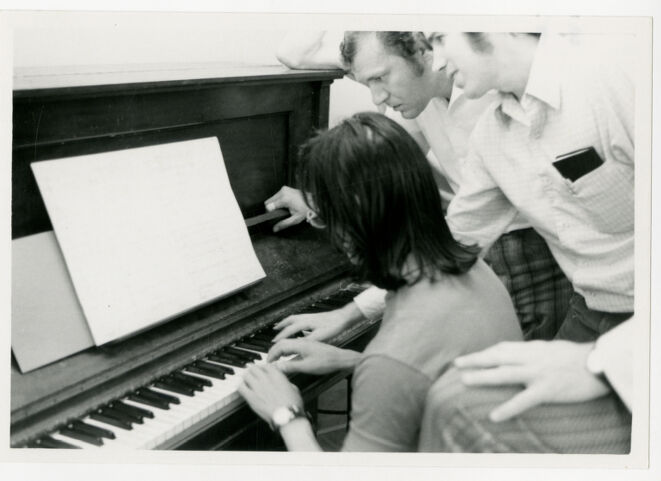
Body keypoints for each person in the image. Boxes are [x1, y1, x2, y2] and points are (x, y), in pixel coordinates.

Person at [238, 112, 523, 451]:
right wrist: (351, 361)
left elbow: (400, 369)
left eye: (321, 217)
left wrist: (287, 415)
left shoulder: (394, 359)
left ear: (354, 222)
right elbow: (435, 381)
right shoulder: (476, 271)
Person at [269, 30, 573, 342]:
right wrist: (320, 202)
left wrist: (353, 312)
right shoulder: (411, 92)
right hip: (466, 240)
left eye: (380, 78)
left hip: (529, 245)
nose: (377, 98)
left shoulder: (490, 82)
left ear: (422, 49)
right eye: (366, 84)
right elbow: (380, 179)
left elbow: (461, 230)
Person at [413, 31, 635, 452]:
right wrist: (354, 311)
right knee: (460, 403)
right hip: (590, 311)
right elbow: (454, 244)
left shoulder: (615, 77)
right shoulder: (490, 137)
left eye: (441, 38)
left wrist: (608, 361)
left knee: (470, 416)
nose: (436, 62)